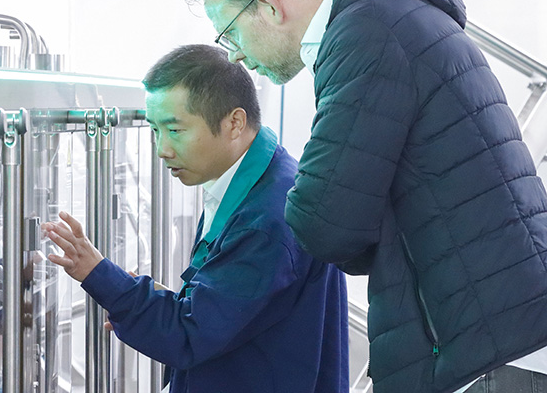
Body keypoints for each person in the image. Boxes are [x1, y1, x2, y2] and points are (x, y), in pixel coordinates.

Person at [183, 0, 547, 393]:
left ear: (269, 6)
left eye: (230, 32)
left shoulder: (365, 34)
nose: (234, 54)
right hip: (500, 331)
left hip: (487, 348)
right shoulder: (393, 16)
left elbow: (324, 222)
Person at [42, 44, 349, 393]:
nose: (162, 149)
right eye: (155, 130)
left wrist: (99, 275)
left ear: (234, 123)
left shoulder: (265, 219)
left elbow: (189, 334)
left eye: (175, 130)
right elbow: (229, 309)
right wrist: (149, 300)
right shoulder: (255, 179)